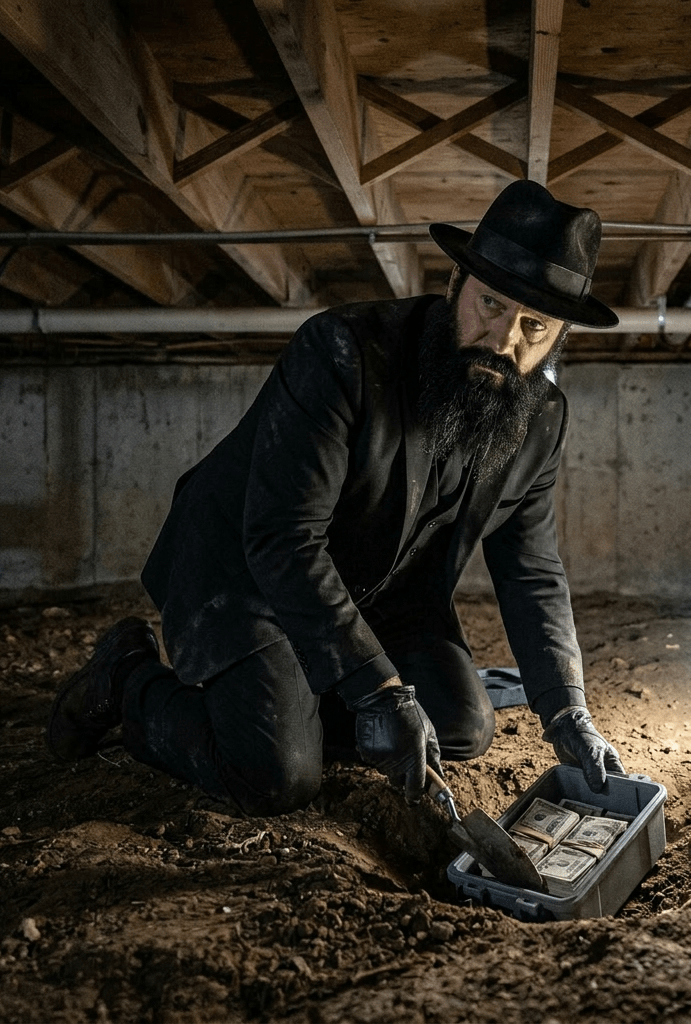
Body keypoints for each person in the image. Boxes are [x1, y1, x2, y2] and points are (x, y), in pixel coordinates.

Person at [46, 180, 625, 816]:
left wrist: (566, 704)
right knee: (277, 775)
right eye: (490, 304)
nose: (502, 340)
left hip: (376, 594)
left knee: (461, 726)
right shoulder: (341, 352)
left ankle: (301, 698)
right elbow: (282, 539)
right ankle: (125, 676)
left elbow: (532, 570)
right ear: (456, 282)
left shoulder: (539, 419)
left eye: (533, 326)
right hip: (245, 575)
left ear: (558, 335)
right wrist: (377, 690)